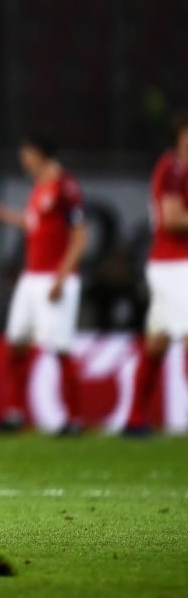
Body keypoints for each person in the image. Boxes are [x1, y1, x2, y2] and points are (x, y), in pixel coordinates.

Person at [0, 137, 88, 435]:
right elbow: (33, 223)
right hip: (31, 277)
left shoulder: (66, 187)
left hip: (55, 278)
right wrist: (2, 214)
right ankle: (13, 413)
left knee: (60, 348)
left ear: (41, 155)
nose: (24, 161)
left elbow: (80, 236)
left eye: (27, 155)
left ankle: (74, 419)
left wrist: (62, 277)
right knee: (17, 344)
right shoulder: (41, 187)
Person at [124, 113, 188, 436]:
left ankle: (135, 419)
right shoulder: (174, 169)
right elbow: (173, 219)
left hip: (172, 265)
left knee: (157, 342)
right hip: (174, 263)